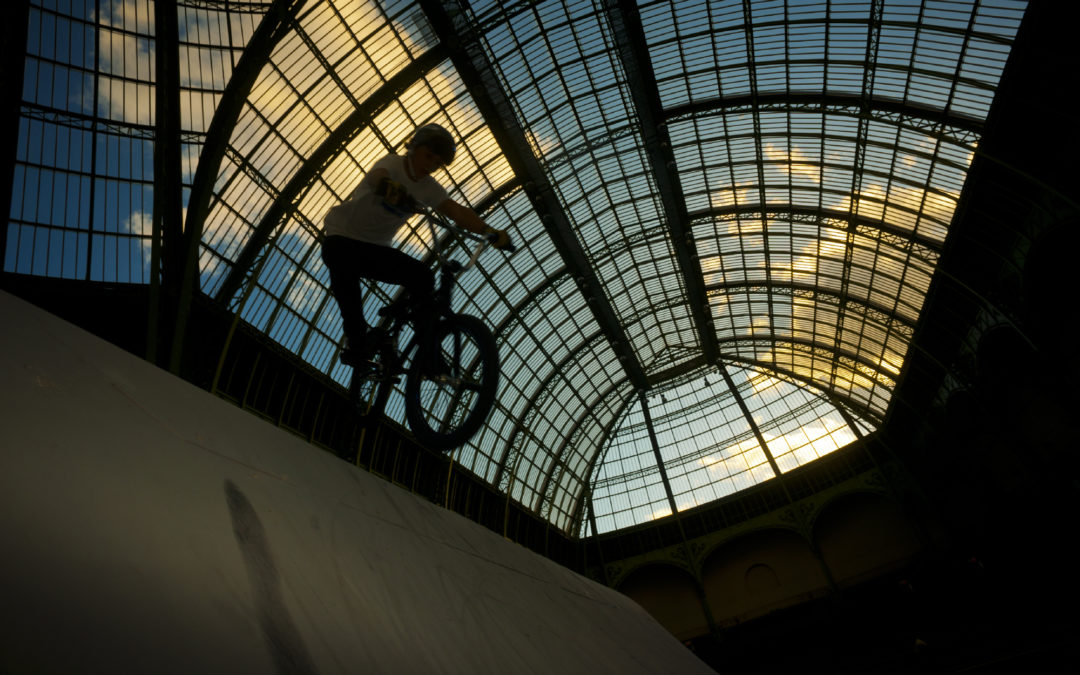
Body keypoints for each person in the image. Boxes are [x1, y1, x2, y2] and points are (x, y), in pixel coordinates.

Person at [321, 123, 511, 371]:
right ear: (413, 148)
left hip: (375, 249)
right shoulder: (393, 163)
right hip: (342, 237)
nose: (430, 165)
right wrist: (390, 187)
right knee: (343, 273)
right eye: (428, 156)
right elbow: (378, 175)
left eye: (438, 162)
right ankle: (357, 341)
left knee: (422, 276)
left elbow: (455, 211)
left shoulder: (429, 188)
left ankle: (427, 351)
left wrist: (489, 231)